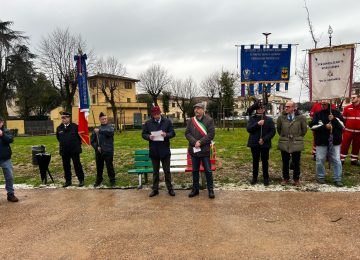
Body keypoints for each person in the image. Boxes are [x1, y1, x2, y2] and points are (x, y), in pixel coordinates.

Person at [142, 106, 176, 197]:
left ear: (160, 113)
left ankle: (170, 189)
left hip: (164, 150)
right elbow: (143, 134)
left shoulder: (167, 122)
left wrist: (166, 134)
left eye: (157, 114)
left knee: (167, 171)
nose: (156, 116)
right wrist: (149, 137)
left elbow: (173, 133)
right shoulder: (148, 123)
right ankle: (155, 189)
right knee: (155, 172)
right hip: (154, 151)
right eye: (154, 114)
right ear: (152, 114)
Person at [309, 100, 345, 186]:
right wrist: (325, 126)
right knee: (320, 159)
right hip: (321, 141)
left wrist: (334, 119)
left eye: (325, 104)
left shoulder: (336, 113)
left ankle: (337, 179)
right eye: (322, 104)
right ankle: (320, 177)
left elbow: (343, 125)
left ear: (329, 104)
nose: (323, 105)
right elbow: (312, 126)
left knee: (336, 160)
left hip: (335, 141)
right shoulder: (318, 114)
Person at [185, 103, 215, 199]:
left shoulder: (209, 120)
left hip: (205, 150)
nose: (196, 110)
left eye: (198, 108)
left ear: (203, 110)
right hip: (194, 150)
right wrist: (195, 142)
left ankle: (210, 190)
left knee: (208, 171)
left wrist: (201, 142)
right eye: (195, 109)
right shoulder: (191, 121)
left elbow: (211, 134)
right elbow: (187, 133)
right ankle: (195, 190)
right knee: (195, 171)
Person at [276, 101, 308, 186]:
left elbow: (304, 130)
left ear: (294, 108)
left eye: (288, 107)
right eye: (285, 106)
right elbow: (279, 130)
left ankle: (296, 179)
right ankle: (285, 178)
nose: (286, 108)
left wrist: (297, 137)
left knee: (296, 162)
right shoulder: (281, 118)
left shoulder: (301, 118)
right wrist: (285, 137)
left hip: (296, 142)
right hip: (285, 142)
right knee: (285, 162)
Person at [246, 101, 276, 186]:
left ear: (264, 109)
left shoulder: (269, 120)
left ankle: (266, 178)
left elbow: (273, 131)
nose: (260, 110)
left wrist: (264, 139)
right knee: (255, 161)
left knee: (265, 161)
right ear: (256, 110)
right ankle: (254, 177)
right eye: (258, 108)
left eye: (262, 108)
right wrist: (257, 124)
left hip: (265, 144)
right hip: (254, 143)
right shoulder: (252, 118)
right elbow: (249, 129)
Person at [56, 112, 85, 187]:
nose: (63, 119)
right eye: (62, 118)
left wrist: (76, 145)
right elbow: (59, 138)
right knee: (66, 166)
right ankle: (68, 181)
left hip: (74, 150)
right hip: (64, 150)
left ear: (69, 118)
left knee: (77, 165)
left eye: (65, 118)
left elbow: (80, 138)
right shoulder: (59, 128)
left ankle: (81, 180)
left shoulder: (75, 126)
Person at [91, 112, 116, 187]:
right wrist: (96, 147)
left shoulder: (110, 127)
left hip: (108, 150)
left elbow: (110, 133)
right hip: (99, 151)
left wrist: (100, 131)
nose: (104, 120)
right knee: (99, 166)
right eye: (102, 119)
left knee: (109, 166)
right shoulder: (96, 129)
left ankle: (112, 180)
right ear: (100, 119)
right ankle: (99, 180)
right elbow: (92, 141)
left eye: (105, 118)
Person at [0, 116, 19, 202]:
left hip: (5, 158)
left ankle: (10, 194)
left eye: (0, 122)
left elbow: (11, 140)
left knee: (9, 177)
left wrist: (2, 134)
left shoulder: (6, 131)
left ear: (2, 122)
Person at [340, 93, 360, 166]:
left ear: (358, 98)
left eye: (354, 97)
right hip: (348, 131)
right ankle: (341, 160)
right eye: (351, 98)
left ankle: (354, 160)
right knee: (344, 146)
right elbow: (343, 120)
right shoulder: (347, 108)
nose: (352, 99)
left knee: (356, 146)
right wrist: (343, 131)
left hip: (358, 132)